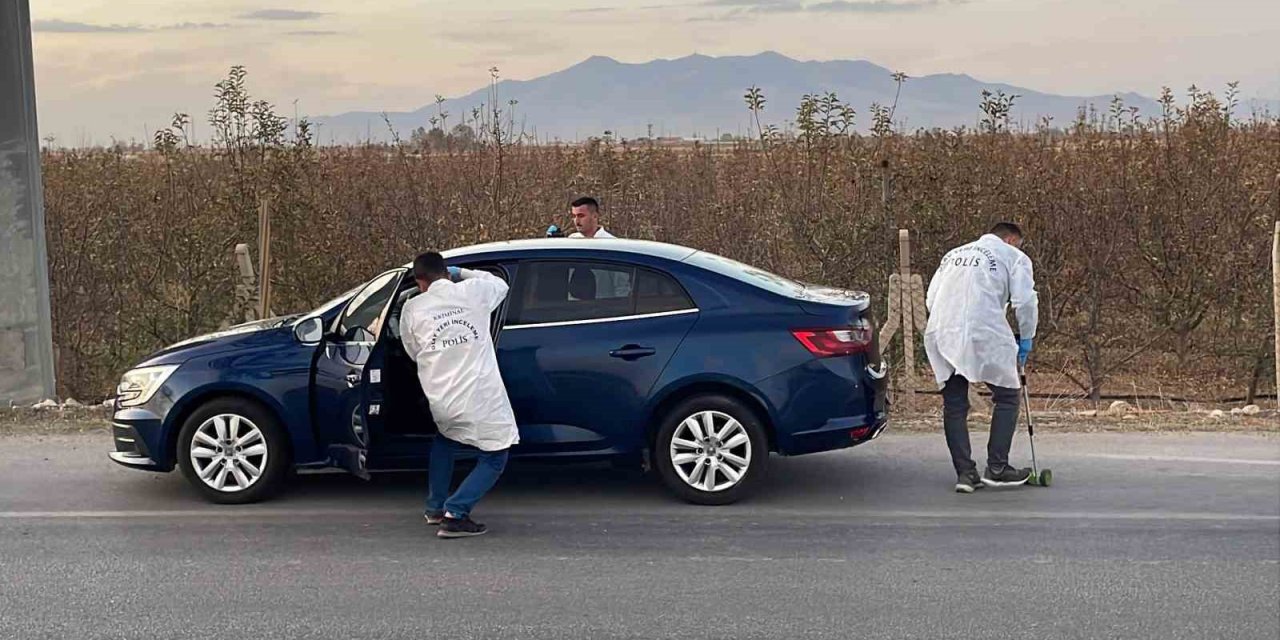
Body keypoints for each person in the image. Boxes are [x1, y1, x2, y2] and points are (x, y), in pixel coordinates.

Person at [399, 252, 518, 538]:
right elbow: (500, 284)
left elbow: (412, 351)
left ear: (419, 281)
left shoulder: (413, 308)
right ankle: (456, 513)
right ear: (446, 273)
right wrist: (462, 272)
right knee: (496, 455)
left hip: (441, 397)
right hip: (479, 396)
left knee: (446, 439)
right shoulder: (471, 291)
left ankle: (435, 507)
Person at [924, 222, 1039, 493]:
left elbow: (931, 298)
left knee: (954, 404)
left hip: (943, 330)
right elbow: (1025, 301)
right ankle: (997, 467)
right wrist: (1026, 336)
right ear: (1011, 240)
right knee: (1008, 396)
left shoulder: (952, 254)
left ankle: (965, 474)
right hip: (984, 330)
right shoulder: (1014, 257)